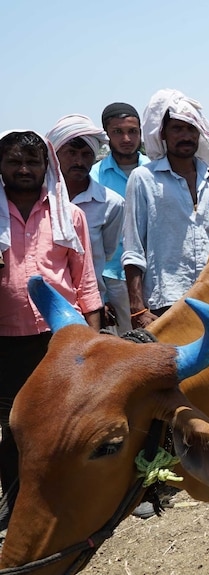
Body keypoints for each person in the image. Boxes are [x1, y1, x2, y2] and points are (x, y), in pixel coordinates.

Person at [0, 130, 102, 493]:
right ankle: (17, 504)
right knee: (15, 427)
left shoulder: (68, 215)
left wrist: (91, 341)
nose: (24, 169)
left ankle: (67, 502)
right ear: (1, 165)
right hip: (7, 342)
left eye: (32, 161)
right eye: (14, 161)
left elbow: (85, 280)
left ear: (47, 166)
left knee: (66, 422)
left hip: (61, 338)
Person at [123, 88, 209, 330]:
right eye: (177, 128)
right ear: (163, 133)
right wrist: (138, 308)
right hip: (165, 302)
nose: (185, 136)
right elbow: (133, 249)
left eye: (191, 128)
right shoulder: (143, 178)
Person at [47, 115, 124, 323]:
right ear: (54, 154)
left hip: (88, 308)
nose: (79, 161)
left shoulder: (111, 203)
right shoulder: (37, 200)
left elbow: (104, 255)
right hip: (43, 305)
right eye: (71, 153)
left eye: (86, 154)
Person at [90, 102, 149, 334]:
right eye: (118, 132)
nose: (126, 138)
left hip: (151, 274)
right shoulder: (94, 177)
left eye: (132, 131)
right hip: (112, 276)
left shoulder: (155, 172)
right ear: (107, 134)